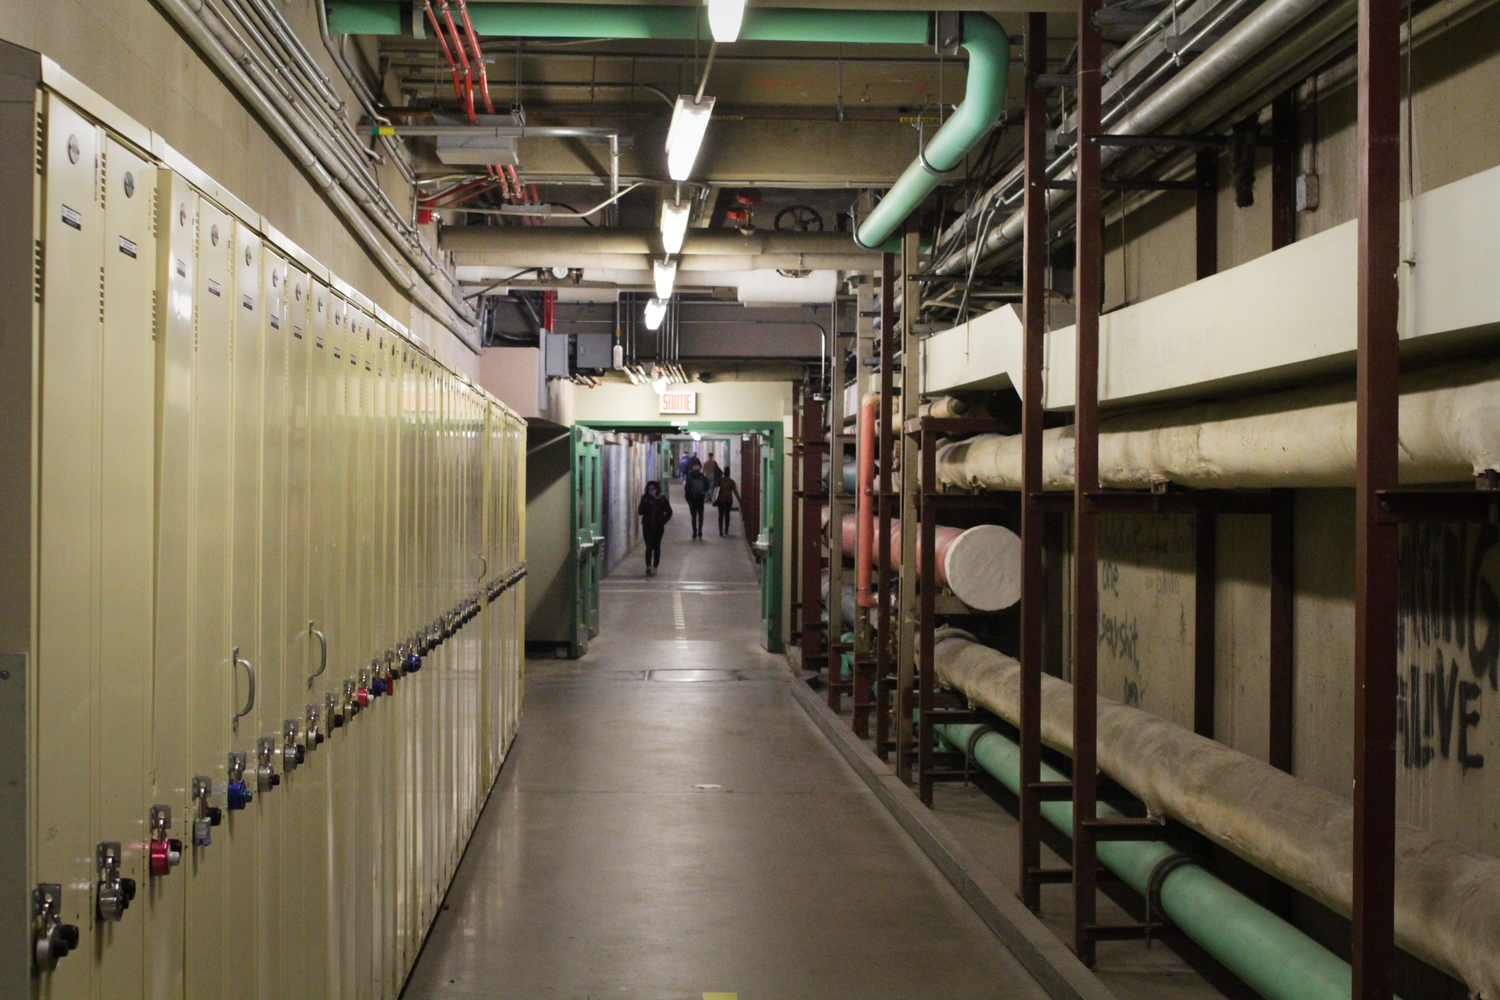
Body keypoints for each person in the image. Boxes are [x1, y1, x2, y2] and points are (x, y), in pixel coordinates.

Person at [637, 481, 672, 574]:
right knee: (649, 546)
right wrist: (647, 504)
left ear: (657, 489)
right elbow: (640, 511)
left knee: (656, 546)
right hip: (647, 525)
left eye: (653, 489)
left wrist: (663, 521)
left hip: (658, 526)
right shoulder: (645, 498)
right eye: (650, 489)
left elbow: (669, 511)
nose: (652, 491)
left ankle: (655, 565)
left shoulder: (662, 499)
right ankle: (648, 566)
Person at [683, 461, 711, 539]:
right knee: (701, 515)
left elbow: (686, 488)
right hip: (700, 499)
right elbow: (707, 487)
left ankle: (694, 532)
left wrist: (688, 497)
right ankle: (700, 531)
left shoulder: (689, 477)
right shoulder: (703, 477)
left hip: (692, 499)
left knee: (693, 516)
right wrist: (703, 493)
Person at [712, 472, 741, 537]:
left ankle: (720, 531)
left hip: (721, 500)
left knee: (720, 515)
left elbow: (716, 489)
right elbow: (735, 491)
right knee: (727, 515)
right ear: (728, 474)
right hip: (728, 500)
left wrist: (713, 498)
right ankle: (726, 530)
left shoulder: (720, 480)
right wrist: (739, 500)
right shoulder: (731, 482)